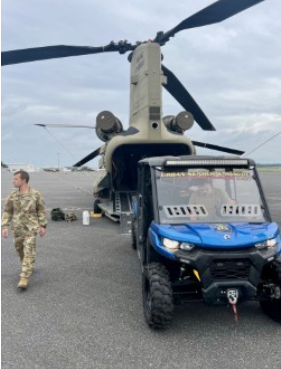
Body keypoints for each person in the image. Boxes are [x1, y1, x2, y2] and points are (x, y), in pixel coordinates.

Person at [1, 170, 47, 289]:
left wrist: (42, 226)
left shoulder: (36, 194)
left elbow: (41, 210)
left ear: (23, 180)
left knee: (28, 250)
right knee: (19, 250)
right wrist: (4, 226)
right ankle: (28, 265)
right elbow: (7, 211)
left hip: (31, 229)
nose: (13, 181)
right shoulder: (13, 195)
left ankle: (24, 277)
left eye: (16, 179)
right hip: (17, 229)